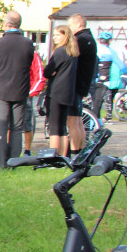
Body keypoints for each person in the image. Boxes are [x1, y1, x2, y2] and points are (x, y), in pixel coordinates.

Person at [0, 11, 34, 170]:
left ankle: (0, 164)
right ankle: (13, 162)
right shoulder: (27, 43)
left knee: (1, 127)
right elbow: (30, 61)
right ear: (19, 25)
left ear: (6, 25)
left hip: (2, 90)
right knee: (17, 128)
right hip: (21, 90)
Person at [43, 26, 80, 156]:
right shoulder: (73, 53)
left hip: (56, 92)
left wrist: (52, 72)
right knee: (63, 128)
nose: (54, 38)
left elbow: (47, 72)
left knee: (54, 127)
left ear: (65, 36)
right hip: (68, 92)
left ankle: (53, 157)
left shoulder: (59, 52)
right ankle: (64, 157)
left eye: (57, 35)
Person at [68, 14, 96, 155]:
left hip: (75, 84)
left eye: (70, 26)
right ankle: (81, 152)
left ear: (78, 25)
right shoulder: (90, 39)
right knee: (78, 121)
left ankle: (75, 153)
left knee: (73, 121)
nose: (69, 30)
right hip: (84, 83)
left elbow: (70, 58)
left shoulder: (80, 40)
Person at [92, 32, 127, 120]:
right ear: (110, 41)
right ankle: (96, 124)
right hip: (103, 81)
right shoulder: (111, 52)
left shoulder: (94, 49)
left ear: (99, 40)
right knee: (97, 105)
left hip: (92, 79)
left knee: (91, 103)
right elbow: (121, 66)